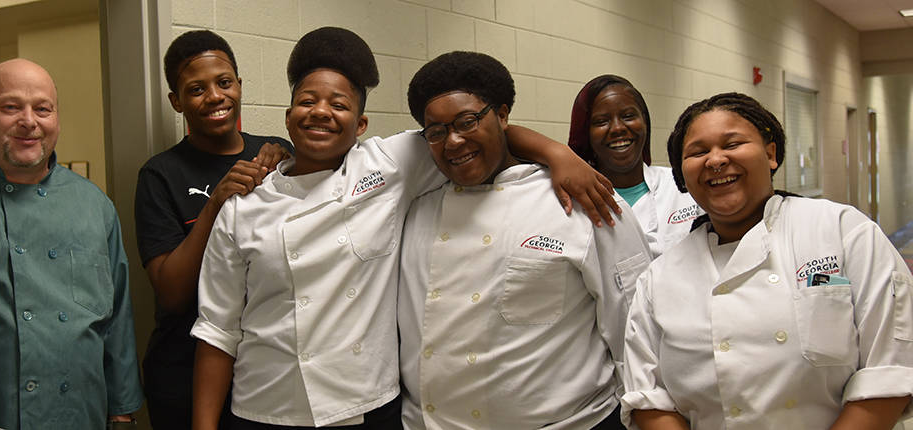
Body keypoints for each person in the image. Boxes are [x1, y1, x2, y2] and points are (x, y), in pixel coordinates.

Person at [190, 27, 622, 430]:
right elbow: (217, 329)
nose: (320, 112)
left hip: (365, 404)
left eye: (339, 105)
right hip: (264, 404)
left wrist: (558, 154)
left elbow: (473, 129)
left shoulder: (386, 166)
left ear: (360, 127)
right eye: (307, 102)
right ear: (286, 118)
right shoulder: (243, 205)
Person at [621, 92, 913, 429]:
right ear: (682, 175)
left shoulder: (844, 232)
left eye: (732, 144)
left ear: (770, 154)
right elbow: (648, 397)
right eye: (698, 152)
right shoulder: (660, 278)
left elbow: (890, 372)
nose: (715, 160)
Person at [397, 51, 650, 430]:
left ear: (501, 115)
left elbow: (635, 328)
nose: (453, 141)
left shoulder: (584, 201)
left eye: (468, 121)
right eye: (436, 132)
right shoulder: (414, 209)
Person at [0, 58, 142, 429]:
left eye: (42, 108)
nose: (29, 121)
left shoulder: (93, 204)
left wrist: (122, 410)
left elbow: (116, 318)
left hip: (78, 414)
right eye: (10, 107)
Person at [135, 30, 291, 430]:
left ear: (239, 85)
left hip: (261, 369)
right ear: (177, 101)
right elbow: (171, 294)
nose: (216, 97)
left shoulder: (274, 153)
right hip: (182, 372)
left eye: (224, 82)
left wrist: (289, 159)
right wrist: (215, 205)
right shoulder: (160, 175)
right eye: (196, 89)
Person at [568, 75, 703, 257]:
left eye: (628, 116)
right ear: (585, 134)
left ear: (645, 122)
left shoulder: (682, 184)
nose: (617, 128)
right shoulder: (574, 199)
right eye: (601, 121)